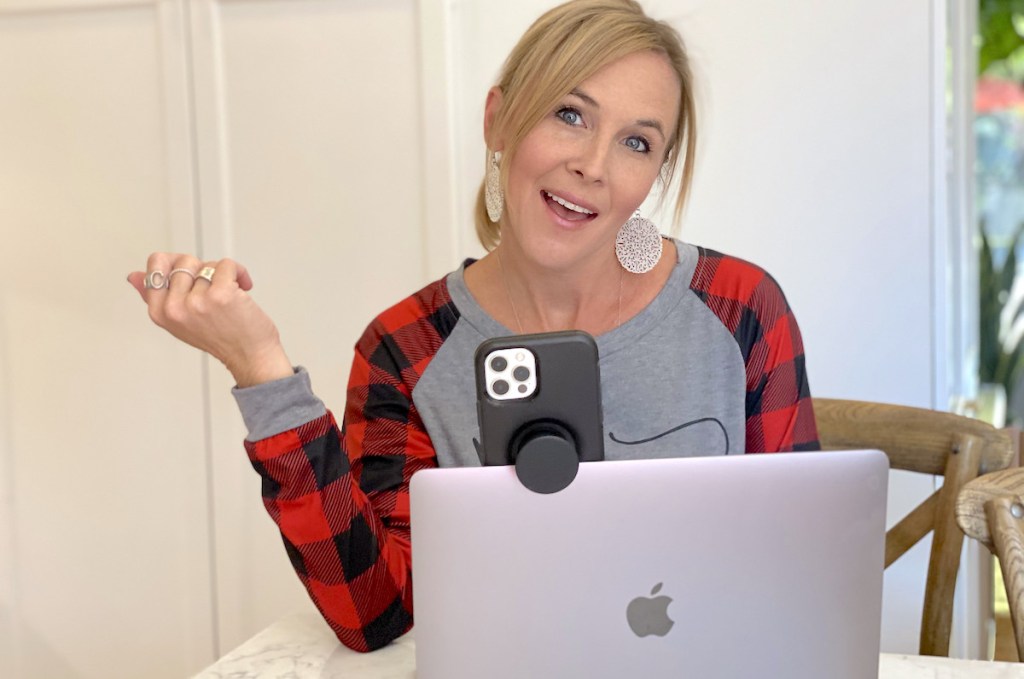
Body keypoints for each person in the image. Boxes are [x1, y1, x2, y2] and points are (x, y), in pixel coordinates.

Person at [128, 0, 818, 653]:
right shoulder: (406, 348)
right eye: (571, 114)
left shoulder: (741, 308)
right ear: (499, 120)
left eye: (636, 141)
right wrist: (262, 370)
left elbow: (801, 570)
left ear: (653, 175)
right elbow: (373, 612)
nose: (594, 165)